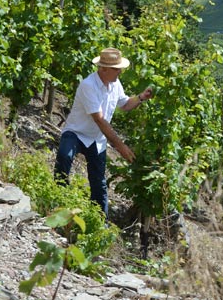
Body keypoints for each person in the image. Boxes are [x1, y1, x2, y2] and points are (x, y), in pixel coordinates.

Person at [54, 47, 153, 217]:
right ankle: (57, 202)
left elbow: (125, 104)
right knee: (64, 156)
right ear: (103, 69)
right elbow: (99, 119)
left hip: (97, 139)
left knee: (99, 182)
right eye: (116, 69)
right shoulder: (88, 85)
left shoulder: (115, 84)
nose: (120, 72)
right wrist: (120, 146)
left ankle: (100, 221)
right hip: (77, 133)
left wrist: (141, 97)